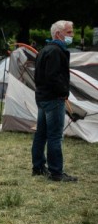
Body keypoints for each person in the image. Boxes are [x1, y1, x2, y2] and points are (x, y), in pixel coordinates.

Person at [31, 20, 77, 182]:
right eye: (69, 32)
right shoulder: (57, 51)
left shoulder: (44, 50)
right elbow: (54, 77)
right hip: (53, 98)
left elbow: (38, 76)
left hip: (42, 97)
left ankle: (38, 167)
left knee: (41, 134)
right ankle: (56, 172)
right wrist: (64, 92)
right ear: (58, 34)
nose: (72, 35)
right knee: (55, 136)